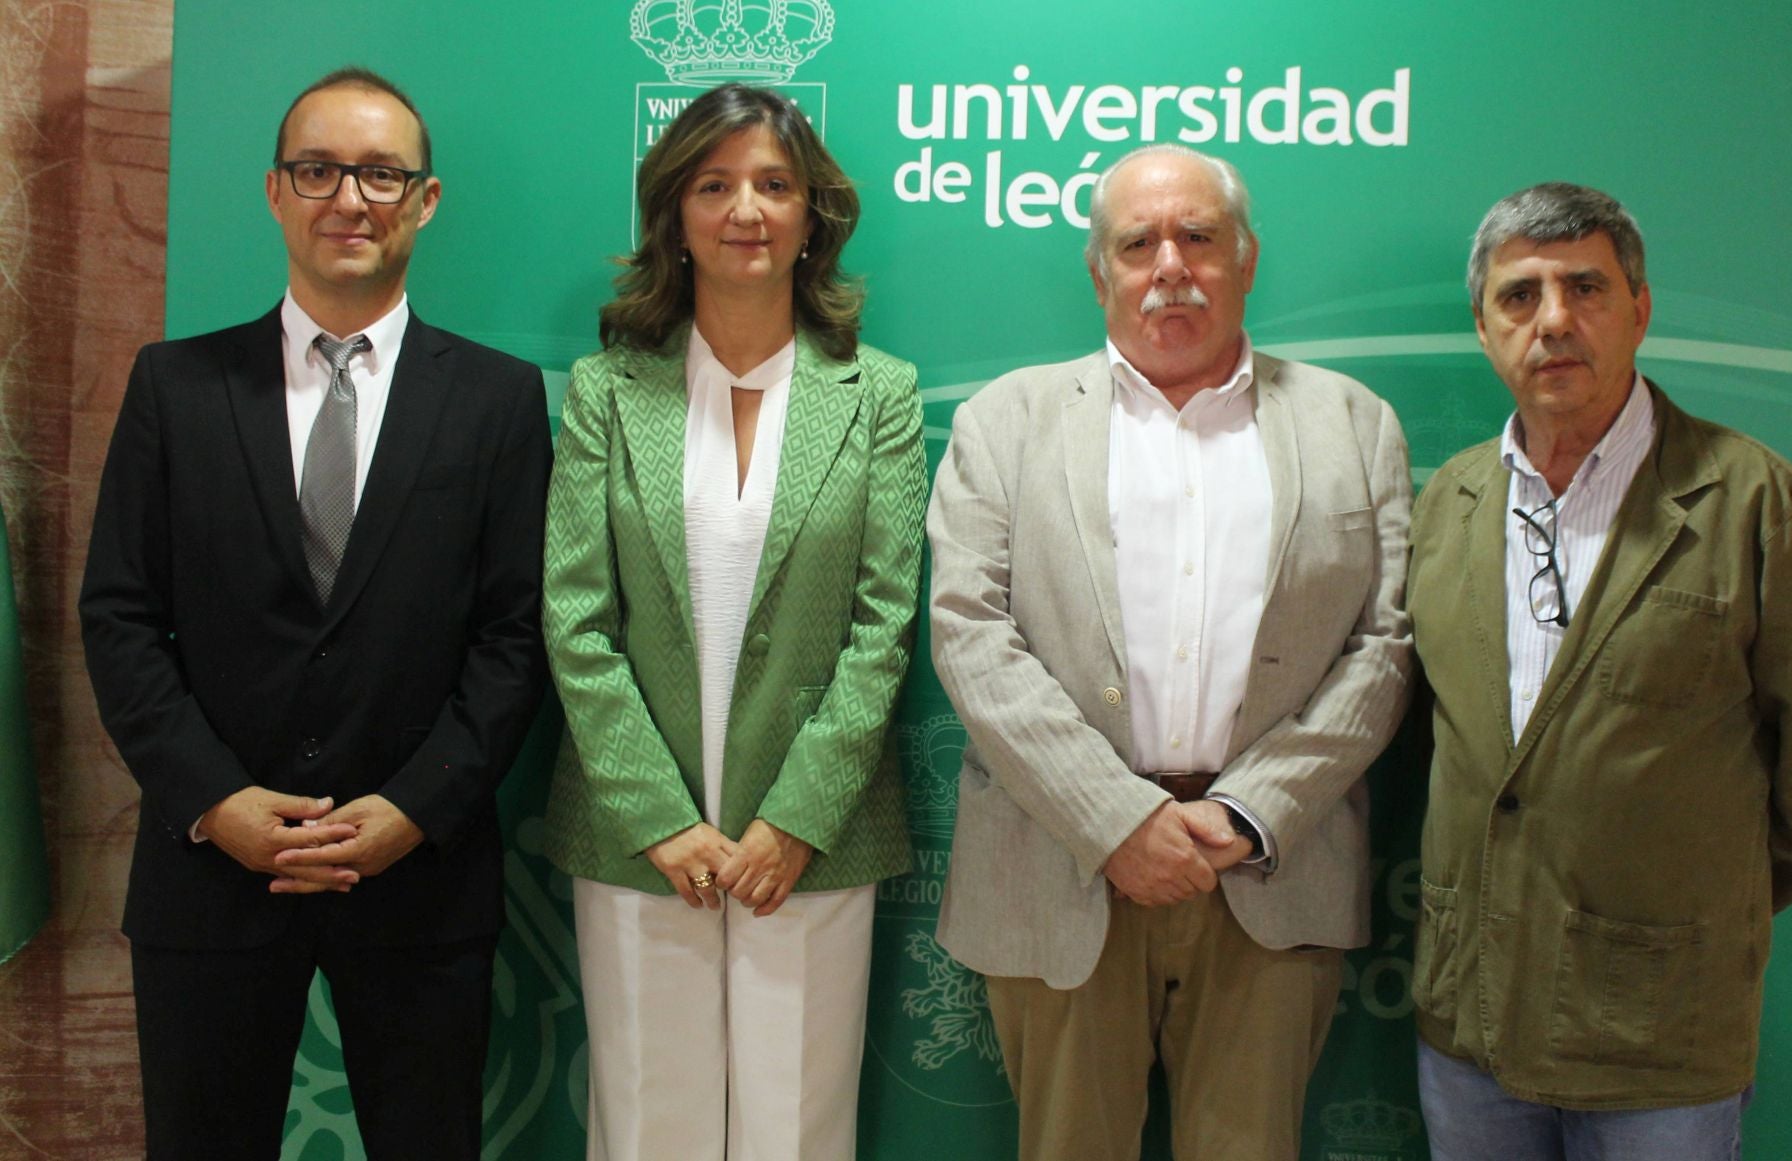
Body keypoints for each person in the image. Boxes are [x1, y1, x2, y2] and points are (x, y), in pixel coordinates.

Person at [78, 68, 551, 1159]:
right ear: (276, 192)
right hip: (212, 874)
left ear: (424, 201)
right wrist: (216, 801)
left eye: (382, 173)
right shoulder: (175, 388)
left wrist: (413, 809)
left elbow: (514, 637)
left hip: (419, 876)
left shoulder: (495, 400)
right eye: (320, 169)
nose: (351, 198)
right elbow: (119, 616)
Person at [927, 143, 1414, 1161]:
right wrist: (1117, 821)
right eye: (1137, 241)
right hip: (1059, 867)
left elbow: (1383, 645)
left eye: (1198, 236)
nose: (1169, 264)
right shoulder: (1004, 421)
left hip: (1271, 875)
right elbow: (970, 633)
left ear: (1246, 256)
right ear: (1099, 271)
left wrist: (1248, 813)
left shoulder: (1354, 425)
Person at [1408, 182, 1792, 1160]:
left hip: (1659, 1034)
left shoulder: (1759, 507)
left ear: (1640, 308)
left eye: (1585, 288)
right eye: (1520, 296)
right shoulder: (1448, 501)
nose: (1554, 322)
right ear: (1484, 325)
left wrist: (1684, 890)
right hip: (1472, 1023)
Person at [541, 83, 924, 1161]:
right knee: (646, 1129)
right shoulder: (607, 391)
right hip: (637, 842)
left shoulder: (878, 393)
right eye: (714, 185)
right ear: (674, 215)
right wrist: (657, 816)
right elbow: (574, 618)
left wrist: (796, 817)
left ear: (814, 216)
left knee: (795, 1135)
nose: (745, 209)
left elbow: (883, 623)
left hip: (809, 840)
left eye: (773, 185)